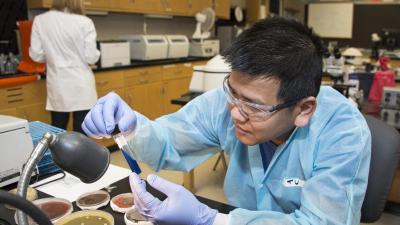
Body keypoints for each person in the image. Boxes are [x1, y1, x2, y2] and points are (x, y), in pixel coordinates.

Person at [82, 17, 371, 225]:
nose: (234, 112)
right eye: (232, 92)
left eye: (254, 106)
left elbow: (321, 222)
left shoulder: (342, 131)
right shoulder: (230, 102)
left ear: (303, 109)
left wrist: (211, 220)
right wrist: (131, 127)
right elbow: (170, 141)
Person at [30, 0, 100, 133]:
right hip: (82, 85)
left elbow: (36, 55)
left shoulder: (40, 20)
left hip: (58, 84)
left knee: (57, 130)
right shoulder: (85, 22)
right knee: (81, 133)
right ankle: (80, 155)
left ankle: (58, 155)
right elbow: (91, 57)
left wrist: (53, 56)